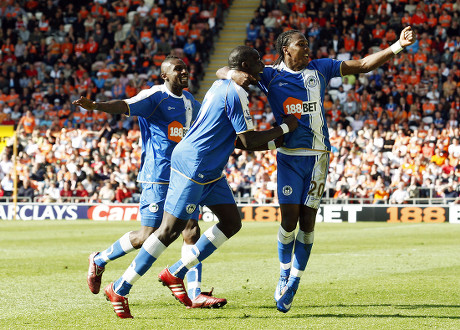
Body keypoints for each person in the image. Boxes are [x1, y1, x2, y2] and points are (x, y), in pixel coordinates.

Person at [217, 26, 416, 313]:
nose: (308, 48)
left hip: (318, 157)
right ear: (286, 48)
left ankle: (293, 284)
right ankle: (283, 273)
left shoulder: (320, 68)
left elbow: (361, 65)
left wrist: (397, 45)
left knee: (307, 224)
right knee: (288, 221)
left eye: (308, 44)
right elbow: (224, 70)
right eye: (302, 44)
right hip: (288, 157)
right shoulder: (271, 75)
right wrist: (230, 74)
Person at [101, 46, 298, 318]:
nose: (262, 67)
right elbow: (247, 141)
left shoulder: (220, 84)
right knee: (169, 231)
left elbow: (241, 141)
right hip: (194, 166)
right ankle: (120, 288)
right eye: (257, 63)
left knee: (231, 222)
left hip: (211, 168)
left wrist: (278, 139)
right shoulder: (235, 93)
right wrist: (285, 128)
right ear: (243, 65)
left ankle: (176, 272)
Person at [72, 55, 226, 317]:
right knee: (148, 235)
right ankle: (99, 259)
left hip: (185, 175)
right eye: (178, 69)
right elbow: (124, 105)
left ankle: (195, 292)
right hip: (157, 175)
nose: (184, 72)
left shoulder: (191, 102)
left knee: (191, 229)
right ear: (165, 75)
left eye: (185, 68)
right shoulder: (155, 96)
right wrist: (96, 106)